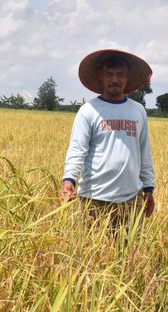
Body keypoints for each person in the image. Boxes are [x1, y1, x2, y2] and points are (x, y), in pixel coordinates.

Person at [60, 49, 156, 228]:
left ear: (127, 77)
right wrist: (69, 179)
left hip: (131, 199)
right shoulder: (88, 110)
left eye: (120, 74)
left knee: (132, 254)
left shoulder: (138, 111)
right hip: (94, 199)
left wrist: (149, 188)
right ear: (101, 76)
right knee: (91, 254)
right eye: (109, 74)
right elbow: (77, 149)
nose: (115, 79)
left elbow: (144, 152)